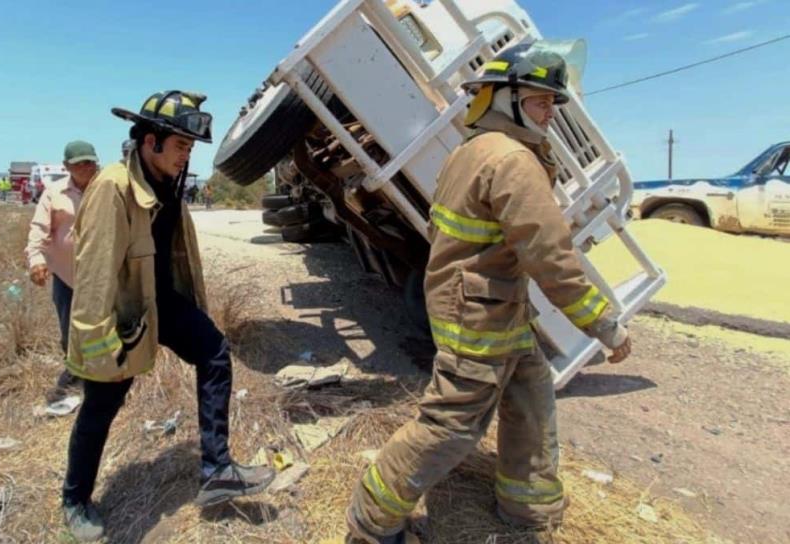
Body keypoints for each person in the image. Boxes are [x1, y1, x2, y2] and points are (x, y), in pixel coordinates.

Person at [343, 41, 632, 544]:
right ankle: (372, 522)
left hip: (489, 303)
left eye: (551, 104)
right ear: (505, 99)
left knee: (530, 392)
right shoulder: (511, 160)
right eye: (541, 102)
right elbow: (551, 256)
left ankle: (527, 504)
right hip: (479, 312)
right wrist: (604, 324)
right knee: (452, 423)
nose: (549, 115)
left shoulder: (471, 151)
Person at [60, 90, 275, 540]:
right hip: (122, 312)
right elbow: (95, 276)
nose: (186, 156)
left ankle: (217, 469)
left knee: (213, 351)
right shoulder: (112, 187)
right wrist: (104, 353)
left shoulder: (165, 183)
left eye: (190, 148)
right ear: (150, 141)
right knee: (103, 404)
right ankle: (75, 499)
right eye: (180, 146)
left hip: (157, 301)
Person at [26, 141, 99, 402]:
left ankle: (101, 383)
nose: (87, 167)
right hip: (67, 277)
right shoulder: (54, 193)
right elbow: (39, 230)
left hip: (102, 278)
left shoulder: (107, 189)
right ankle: (75, 376)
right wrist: (36, 260)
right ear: (67, 166)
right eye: (80, 163)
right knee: (70, 332)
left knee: (104, 331)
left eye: (90, 162)